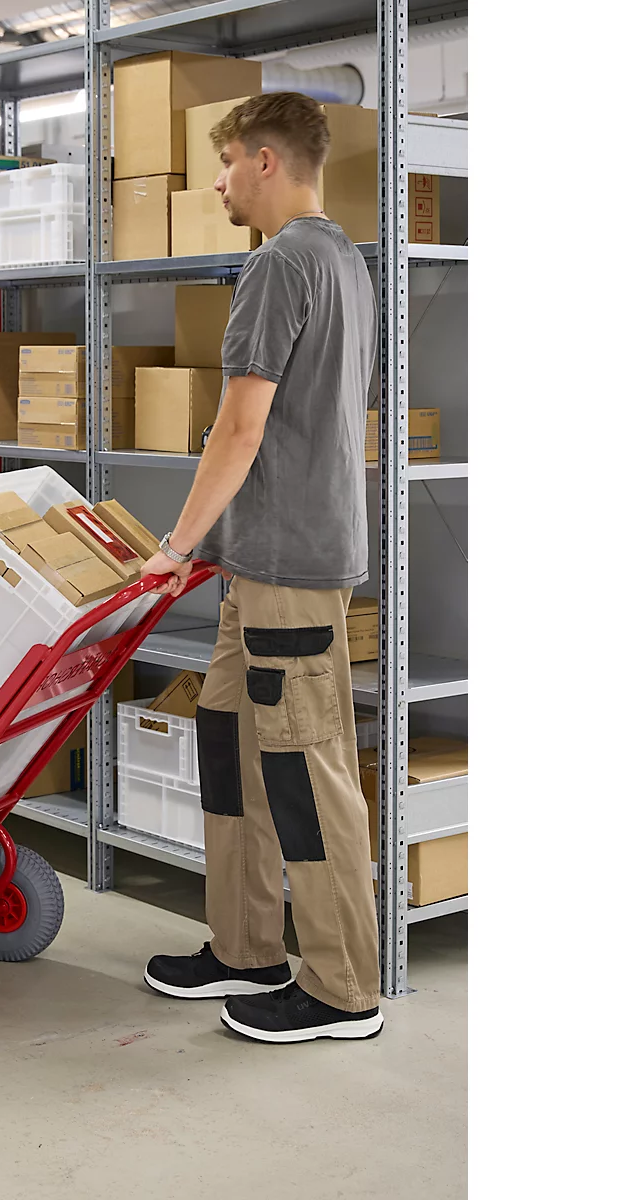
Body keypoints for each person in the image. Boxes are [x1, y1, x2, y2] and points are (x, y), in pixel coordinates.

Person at [138, 92, 382, 1044]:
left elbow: (242, 426)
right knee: (229, 742)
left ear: (269, 161)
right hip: (267, 559)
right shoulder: (344, 260)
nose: (220, 179)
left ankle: (341, 990)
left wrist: (175, 548)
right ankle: (245, 948)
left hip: (289, 563)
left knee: (307, 775)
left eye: (230, 160)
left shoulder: (282, 264)